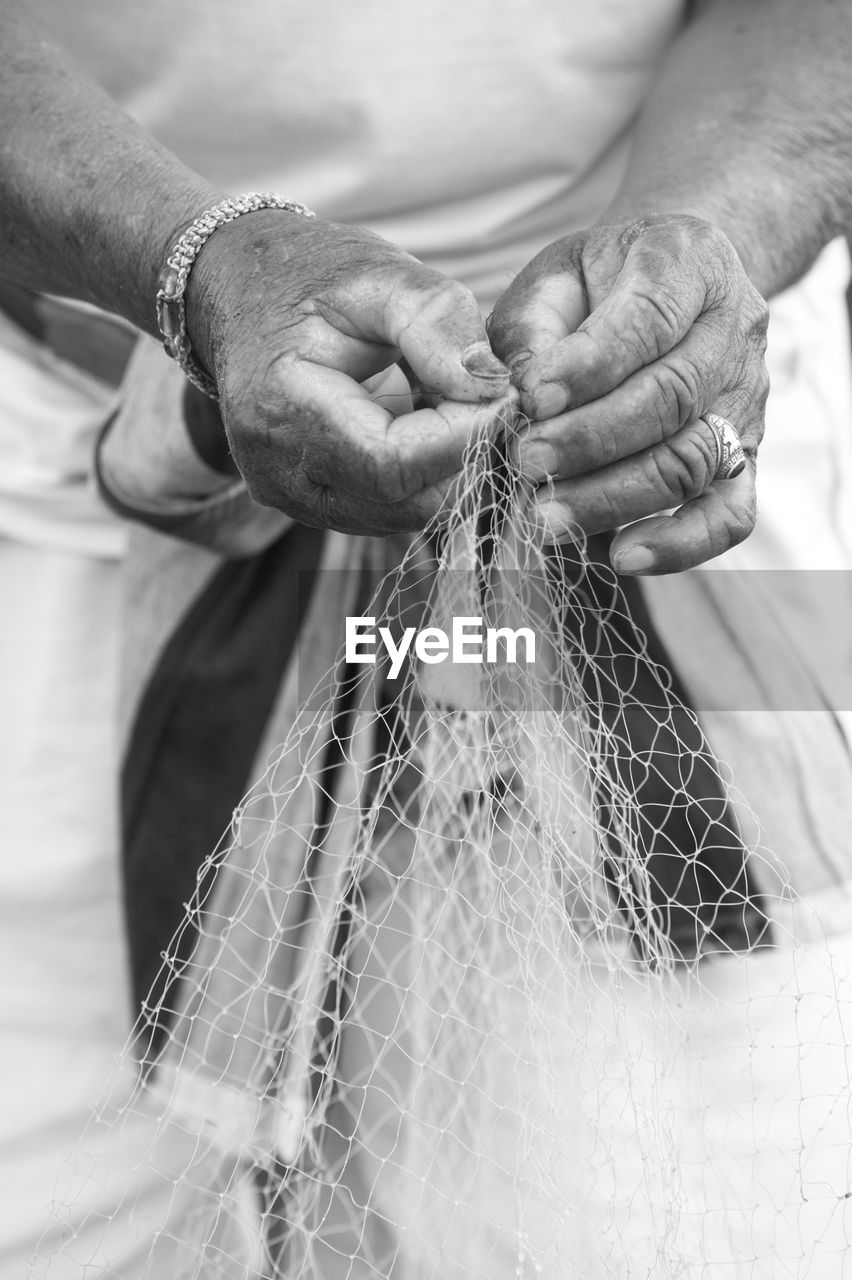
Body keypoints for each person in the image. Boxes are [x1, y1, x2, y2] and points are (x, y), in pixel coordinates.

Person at [3, 0, 852, 1274]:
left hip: (665, 496)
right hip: (58, 476)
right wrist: (192, 268)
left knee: (667, 1217)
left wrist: (705, 239)